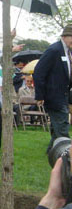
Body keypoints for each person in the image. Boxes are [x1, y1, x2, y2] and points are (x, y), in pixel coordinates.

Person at [34, 25, 72, 153]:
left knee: (58, 127)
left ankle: (52, 152)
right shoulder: (54, 50)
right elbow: (39, 72)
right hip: (53, 96)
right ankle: (66, 154)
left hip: (63, 96)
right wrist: (39, 95)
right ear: (64, 36)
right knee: (62, 127)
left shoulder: (68, 51)